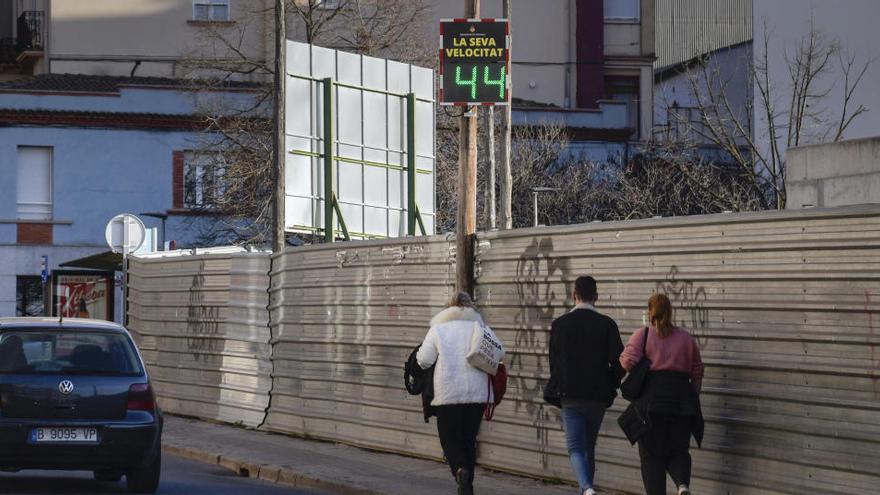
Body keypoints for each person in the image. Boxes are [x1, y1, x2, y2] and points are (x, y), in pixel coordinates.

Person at [546, 276, 625, 495]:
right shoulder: (607, 324)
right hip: (597, 397)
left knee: (575, 447)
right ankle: (586, 489)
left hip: (570, 395)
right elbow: (620, 362)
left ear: (574, 295)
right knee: (589, 445)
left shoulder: (559, 325)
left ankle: (587, 488)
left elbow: (554, 362)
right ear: (596, 297)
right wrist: (611, 383)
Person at [620, 293, 704, 495]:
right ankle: (682, 485)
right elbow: (698, 371)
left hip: (652, 404)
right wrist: (692, 396)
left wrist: (638, 365)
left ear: (650, 312)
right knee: (678, 450)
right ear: (670, 311)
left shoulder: (644, 334)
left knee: (651, 456)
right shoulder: (686, 338)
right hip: (681, 403)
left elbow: (627, 362)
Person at [417, 292, 495, 495]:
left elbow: (424, 360)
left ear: (448, 307)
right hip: (477, 395)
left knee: (449, 438)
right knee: (468, 440)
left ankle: (461, 471)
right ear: (470, 308)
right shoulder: (480, 327)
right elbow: (495, 354)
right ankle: (466, 487)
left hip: (449, 393)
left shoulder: (439, 329)